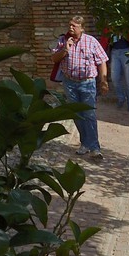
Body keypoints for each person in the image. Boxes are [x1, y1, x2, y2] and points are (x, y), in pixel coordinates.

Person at [51, 15, 109, 160]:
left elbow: (102, 61)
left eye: (74, 26)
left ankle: (95, 148)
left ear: (82, 28)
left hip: (87, 83)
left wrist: (103, 81)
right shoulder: (63, 40)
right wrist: (65, 49)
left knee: (89, 114)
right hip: (69, 83)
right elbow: (54, 58)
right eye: (70, 25)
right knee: (77, 114)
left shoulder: (91, 41)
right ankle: (85, 144)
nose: (70, 28)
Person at [106, 29, 129, 111]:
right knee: (114, 78)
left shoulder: (126, 25)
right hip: (114, 51)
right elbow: (105, 37)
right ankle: (121, 97)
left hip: (126, 51)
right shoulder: (110, 26)